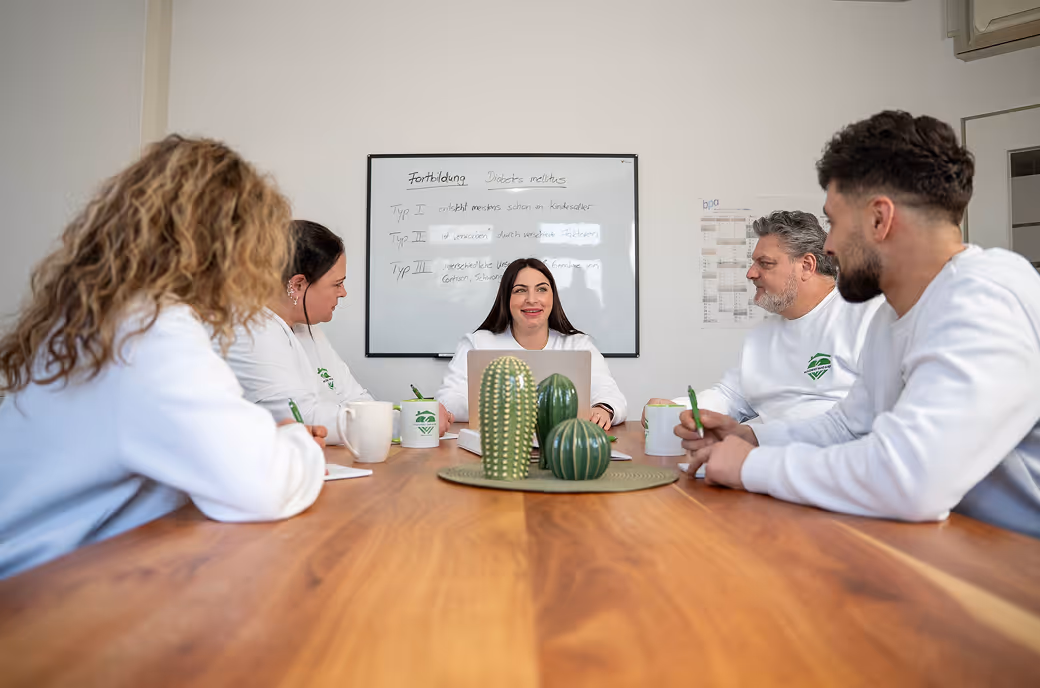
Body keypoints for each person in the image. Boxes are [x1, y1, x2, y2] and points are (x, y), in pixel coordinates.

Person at [678, 111, 1040, 539]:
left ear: (879, 219)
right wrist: (748, 438)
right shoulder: (891, 315)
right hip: (949, 546)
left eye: (833, 221)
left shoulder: (986, 296)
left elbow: (912, 479)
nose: (828, 245)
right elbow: (846, 427)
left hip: (1017, 570)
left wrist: (751, 466)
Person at [0, 136, 328, 578]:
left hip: (59, 574)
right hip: (34, 597)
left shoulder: (102, 315)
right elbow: (259, 485)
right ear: (227, 247)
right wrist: (298, 444)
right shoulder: (149, 333)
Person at [645, 211, 883, 424]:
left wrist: (756, 440)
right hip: (766, 457)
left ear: (807, 266)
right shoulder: (762, 335)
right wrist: (677, 409)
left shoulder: (868, 318)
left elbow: (868, 421)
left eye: (765, 264)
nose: (751, 274)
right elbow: (731, 397)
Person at [220, 220, 450, 439]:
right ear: (298, 285)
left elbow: (357, 399)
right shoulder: (251, 332)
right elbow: (302, 417)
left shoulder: (307, 329)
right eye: (337, 284)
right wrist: (408, 423)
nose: (343, 293)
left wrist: (405, 419)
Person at [436, 258, 627, 429]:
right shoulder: (476, 343)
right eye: (520, 291)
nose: (532, 300)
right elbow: (447, 400)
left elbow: (610, 394)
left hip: (563, 448)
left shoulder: (578, 345)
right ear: (506, 298)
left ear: (553, 297)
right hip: (494, 447)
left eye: (542, 289)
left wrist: (603, 409)